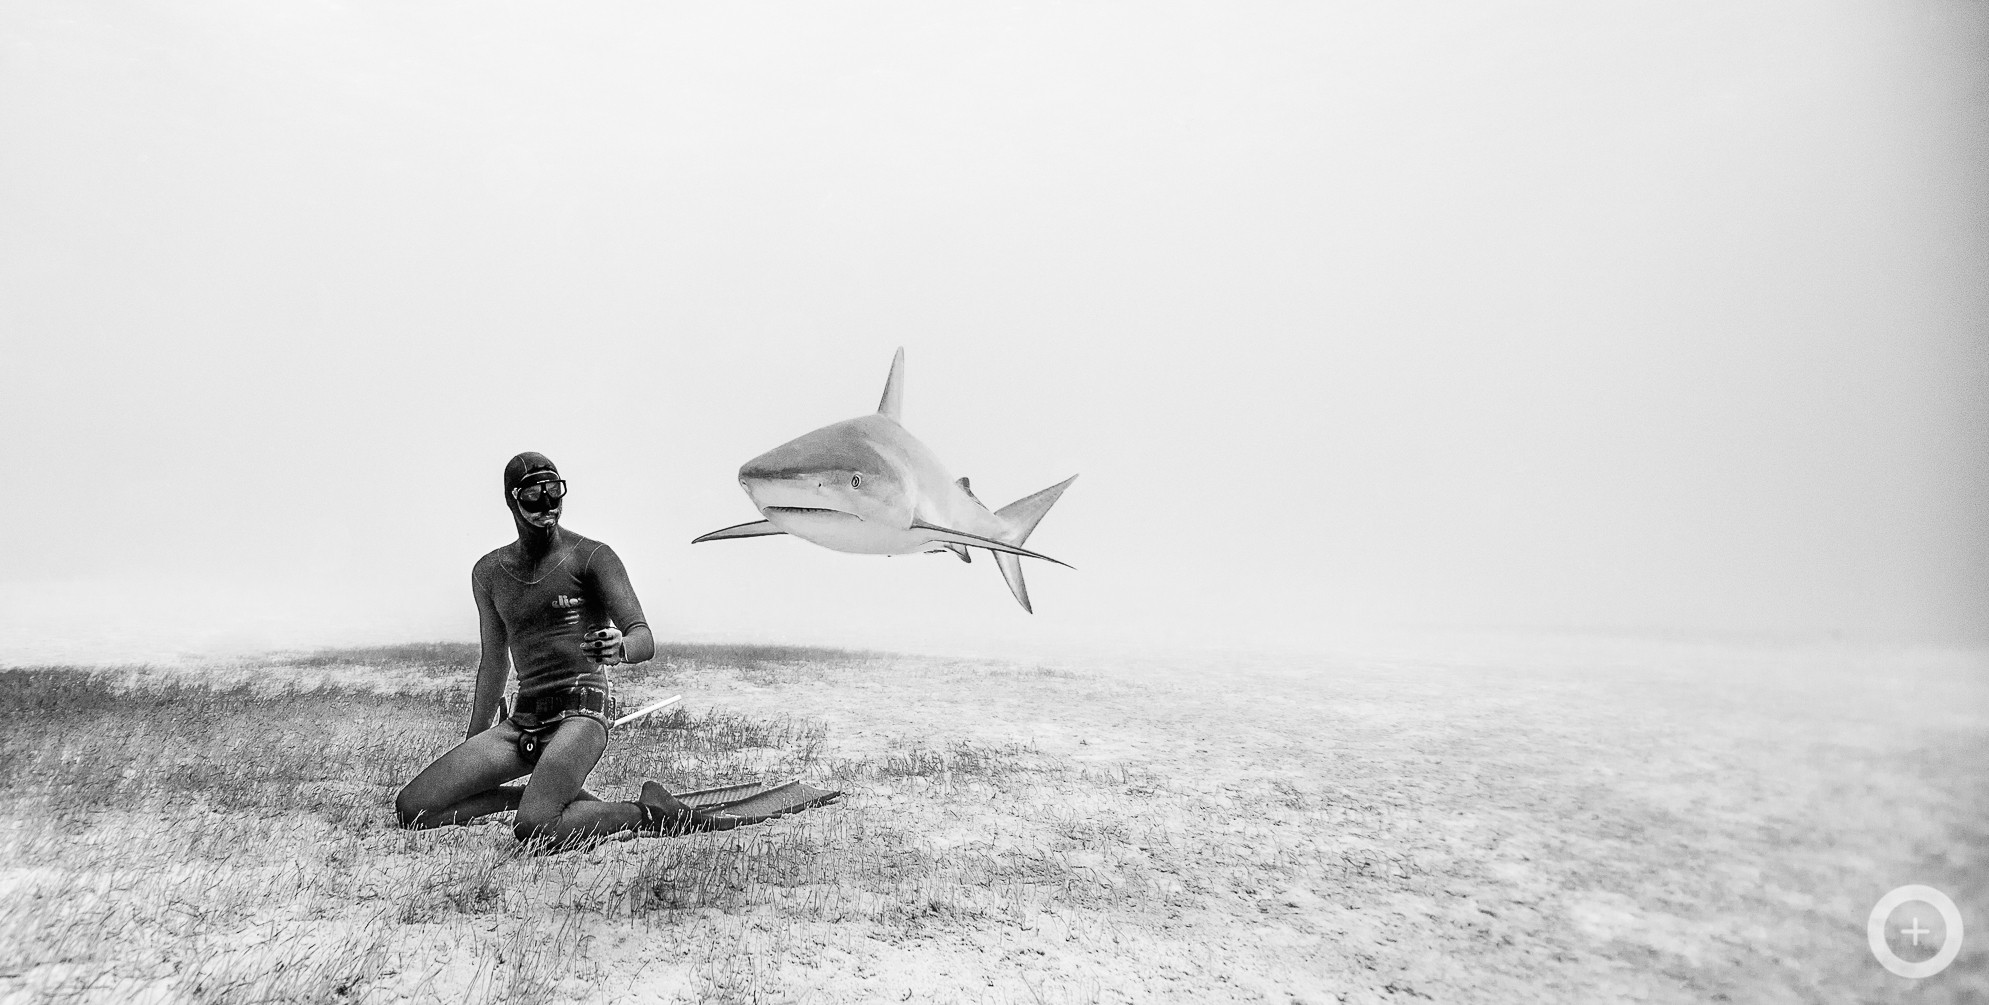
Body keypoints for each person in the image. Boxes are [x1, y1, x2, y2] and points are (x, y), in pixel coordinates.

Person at [395, 451, 723, 844]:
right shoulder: (488, 572)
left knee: (537, 828)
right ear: (511, 499)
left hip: (581, 716)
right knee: (414, 808)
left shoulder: (593, 557)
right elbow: (495, 663)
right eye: (534, 494)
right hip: (522, 723)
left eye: (555, 490)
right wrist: (474, 745)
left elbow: (643, 637)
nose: (548, 503)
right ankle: (535, 798)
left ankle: (647, 812)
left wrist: (620, 647)